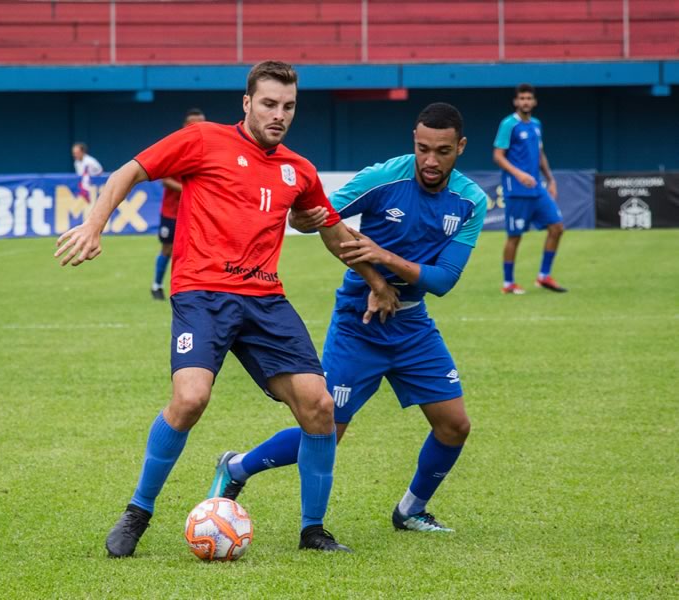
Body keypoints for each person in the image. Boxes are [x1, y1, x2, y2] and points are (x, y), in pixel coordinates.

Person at [55, 60, 398, 557]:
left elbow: (329, 227)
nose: (278, 115)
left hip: (265, 301)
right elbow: (131, 169)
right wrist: (93, 223)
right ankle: (137, 512)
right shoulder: (202, 140)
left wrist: (375, 280)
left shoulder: (298, 170)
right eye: (268, 104)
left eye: (288, 106)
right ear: (247, 103)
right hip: (202, 294)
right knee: (190, 398)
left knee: (320, 407)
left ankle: (313, 530)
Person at [208, 103, 487, 535]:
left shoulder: (471, 200)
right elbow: (315, 218)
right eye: (423, 149)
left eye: (443, 151)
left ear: (461, 147)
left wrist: (384, 256)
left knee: (454, 425)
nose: (430, 161)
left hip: (413, 325)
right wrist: (375, 279)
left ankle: (411, 509)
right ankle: (238, 466)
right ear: (413, 140)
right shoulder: (383, 177)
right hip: (359, 323)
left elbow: (444, 279)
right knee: (327, 432)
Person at [493, 83, 567, 294]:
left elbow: (540, 154)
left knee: (557, 227)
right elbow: (498, 156)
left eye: (528, 98)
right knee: (515, 236)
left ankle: (544, 276)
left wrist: (550, 179)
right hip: (516, 189)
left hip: (537, 189)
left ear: (534, 102)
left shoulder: (536, 124)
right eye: (521, 98)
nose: (525, 102)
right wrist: (519, 174)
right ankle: (508, 283)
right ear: (516, 102)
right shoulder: (509, 124)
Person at [150, 108, 206, 300]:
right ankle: (156, 285)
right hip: (172, 211)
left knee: (197, 250)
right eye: (193, 124)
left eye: (201, 123)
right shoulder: (175, 147)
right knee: (167, 248)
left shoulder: (209, 149)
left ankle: (190, 289)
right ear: (185, 126)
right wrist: (188, 190)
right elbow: (164, 178)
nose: (198, 127)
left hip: (196, 211)